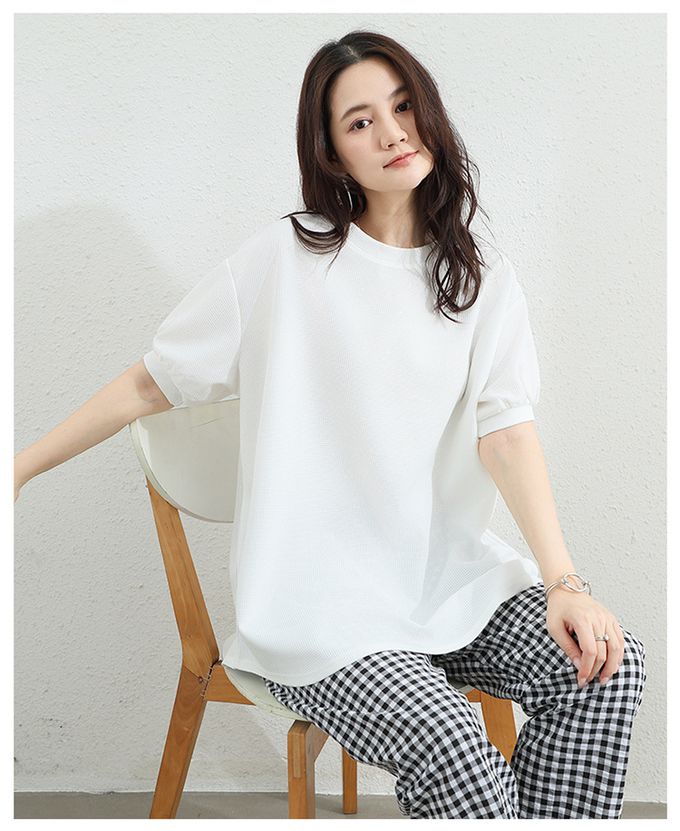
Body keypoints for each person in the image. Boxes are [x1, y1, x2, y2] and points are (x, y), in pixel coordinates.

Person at [15, 30, 646, 820]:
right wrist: (20, 466)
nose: (392, 133)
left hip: (447, 584)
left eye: (403, 106)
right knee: (449, 739)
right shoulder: (287, 259)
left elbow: (508, 432)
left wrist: (564, 585)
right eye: (360, 122)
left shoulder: (480, 277)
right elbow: (153, 381)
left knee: (607, 666)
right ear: (333, 152)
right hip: (319, 608)